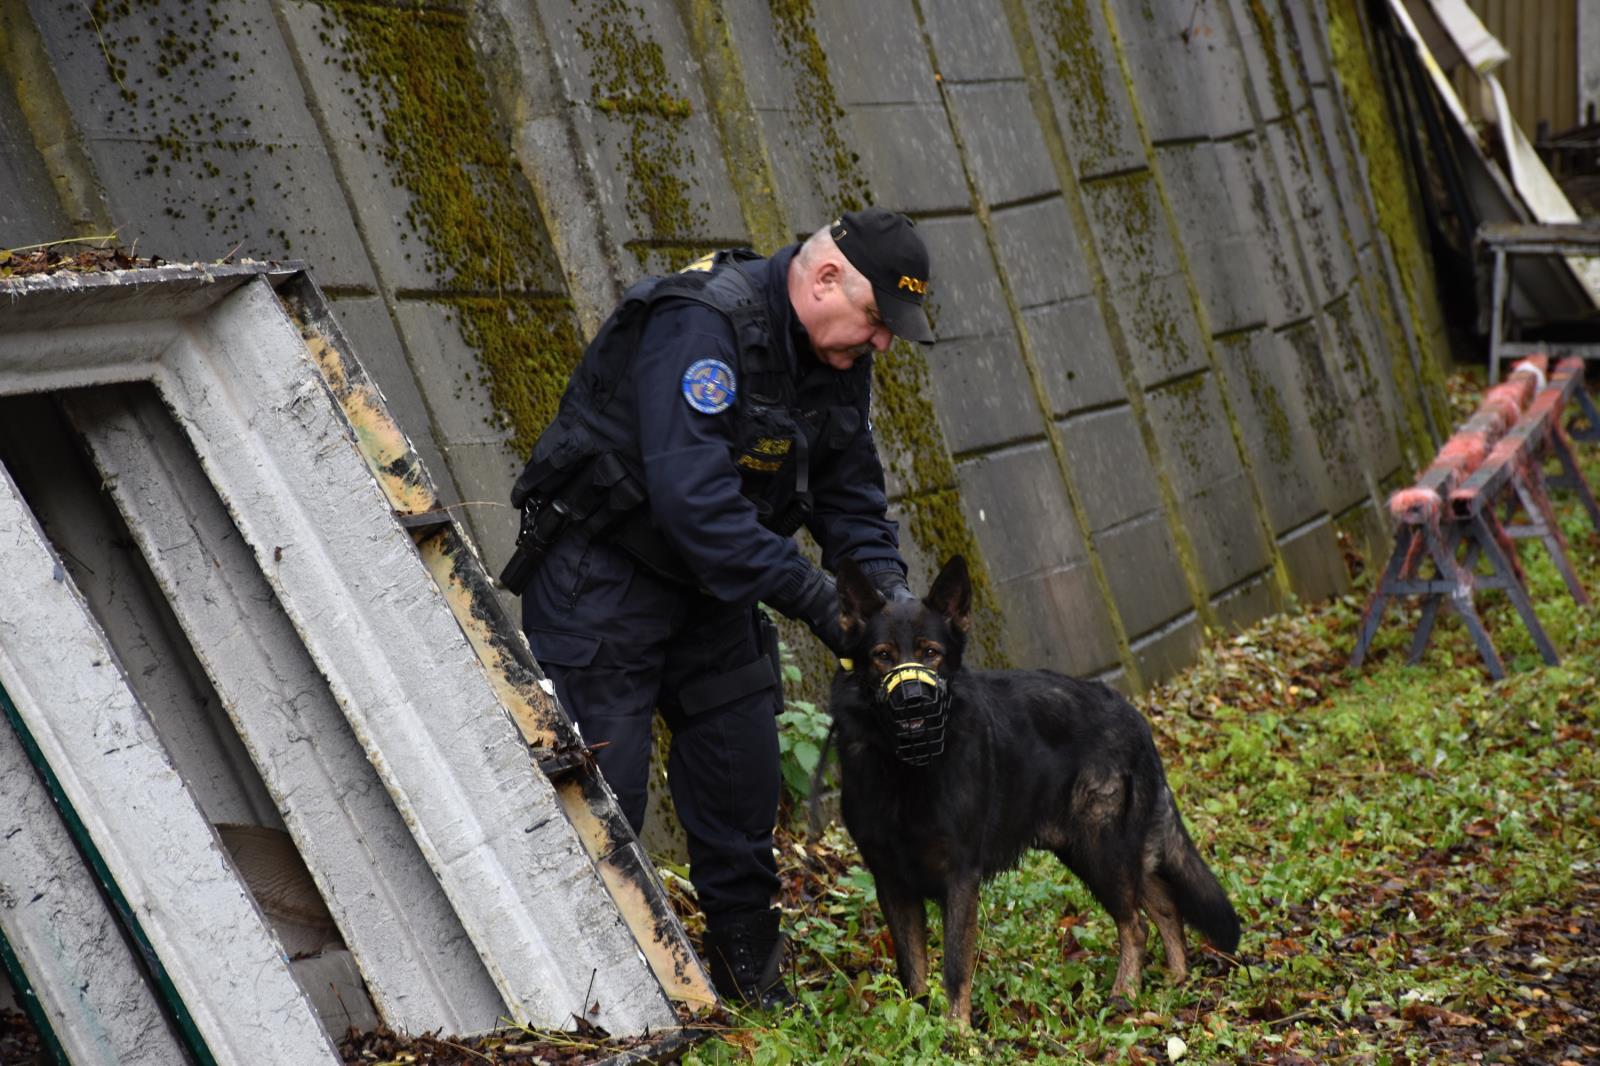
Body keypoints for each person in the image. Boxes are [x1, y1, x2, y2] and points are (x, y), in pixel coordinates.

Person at [504, 207, 933, 1006]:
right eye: (877, 319)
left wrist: (893, 606)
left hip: (714, 591)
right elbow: (695, 503)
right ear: (827, 278)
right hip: (605, 580)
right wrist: (817, 600)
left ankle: (748, 980)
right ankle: (596, 1002)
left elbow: (851, 498)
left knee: (740, 782)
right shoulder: (702, 325)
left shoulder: (834, 359)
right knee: (605, 803)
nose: (880, 343)